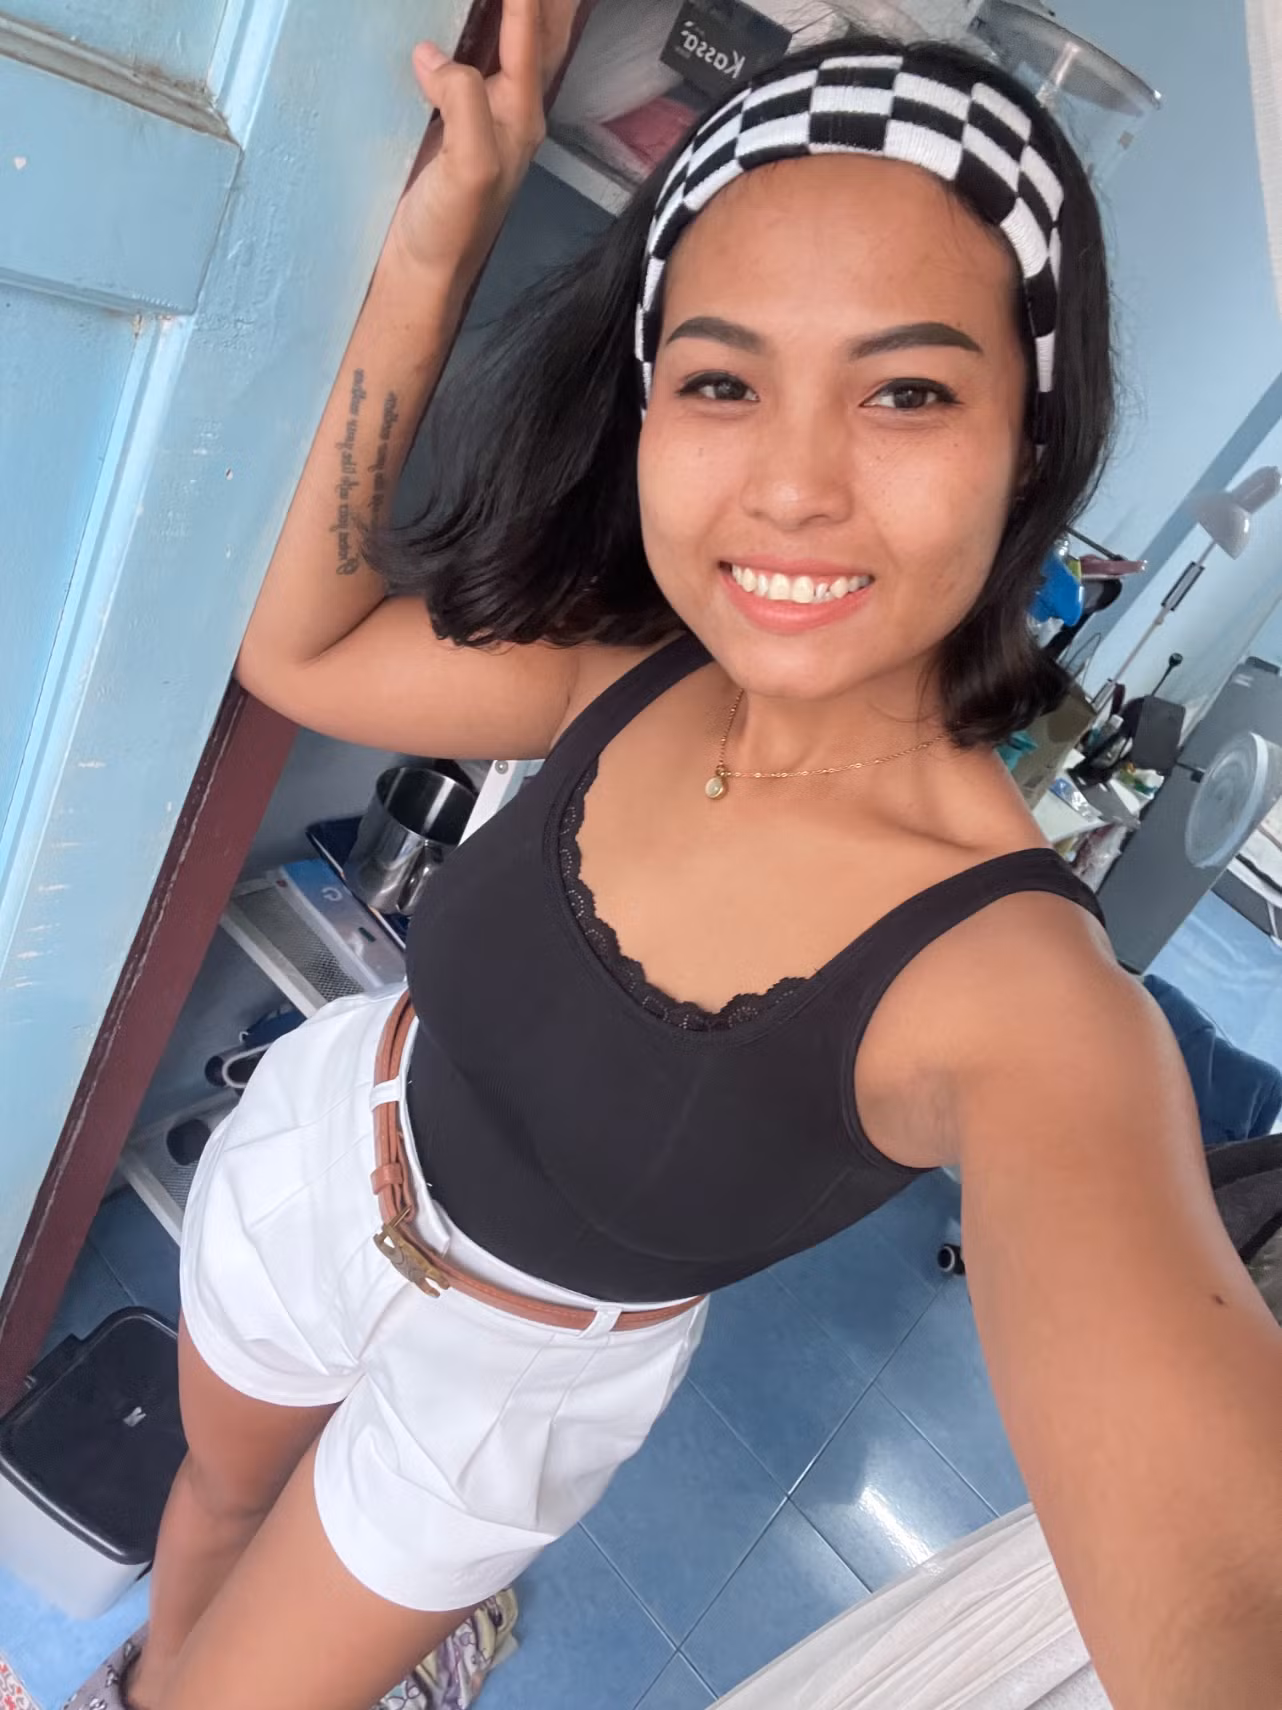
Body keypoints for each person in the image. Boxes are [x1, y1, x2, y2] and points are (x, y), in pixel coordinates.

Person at [69, 4, 1282, 1707]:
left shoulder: (1014, 996)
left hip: (515, 1388)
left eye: (906, 390)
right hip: (327, 1164)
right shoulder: (632, 666)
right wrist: (440, 239)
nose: (789, 484)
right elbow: (303, 653)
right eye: (720, 380)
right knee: (206, 1503)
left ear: (1028, 436)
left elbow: (1226, 1582)